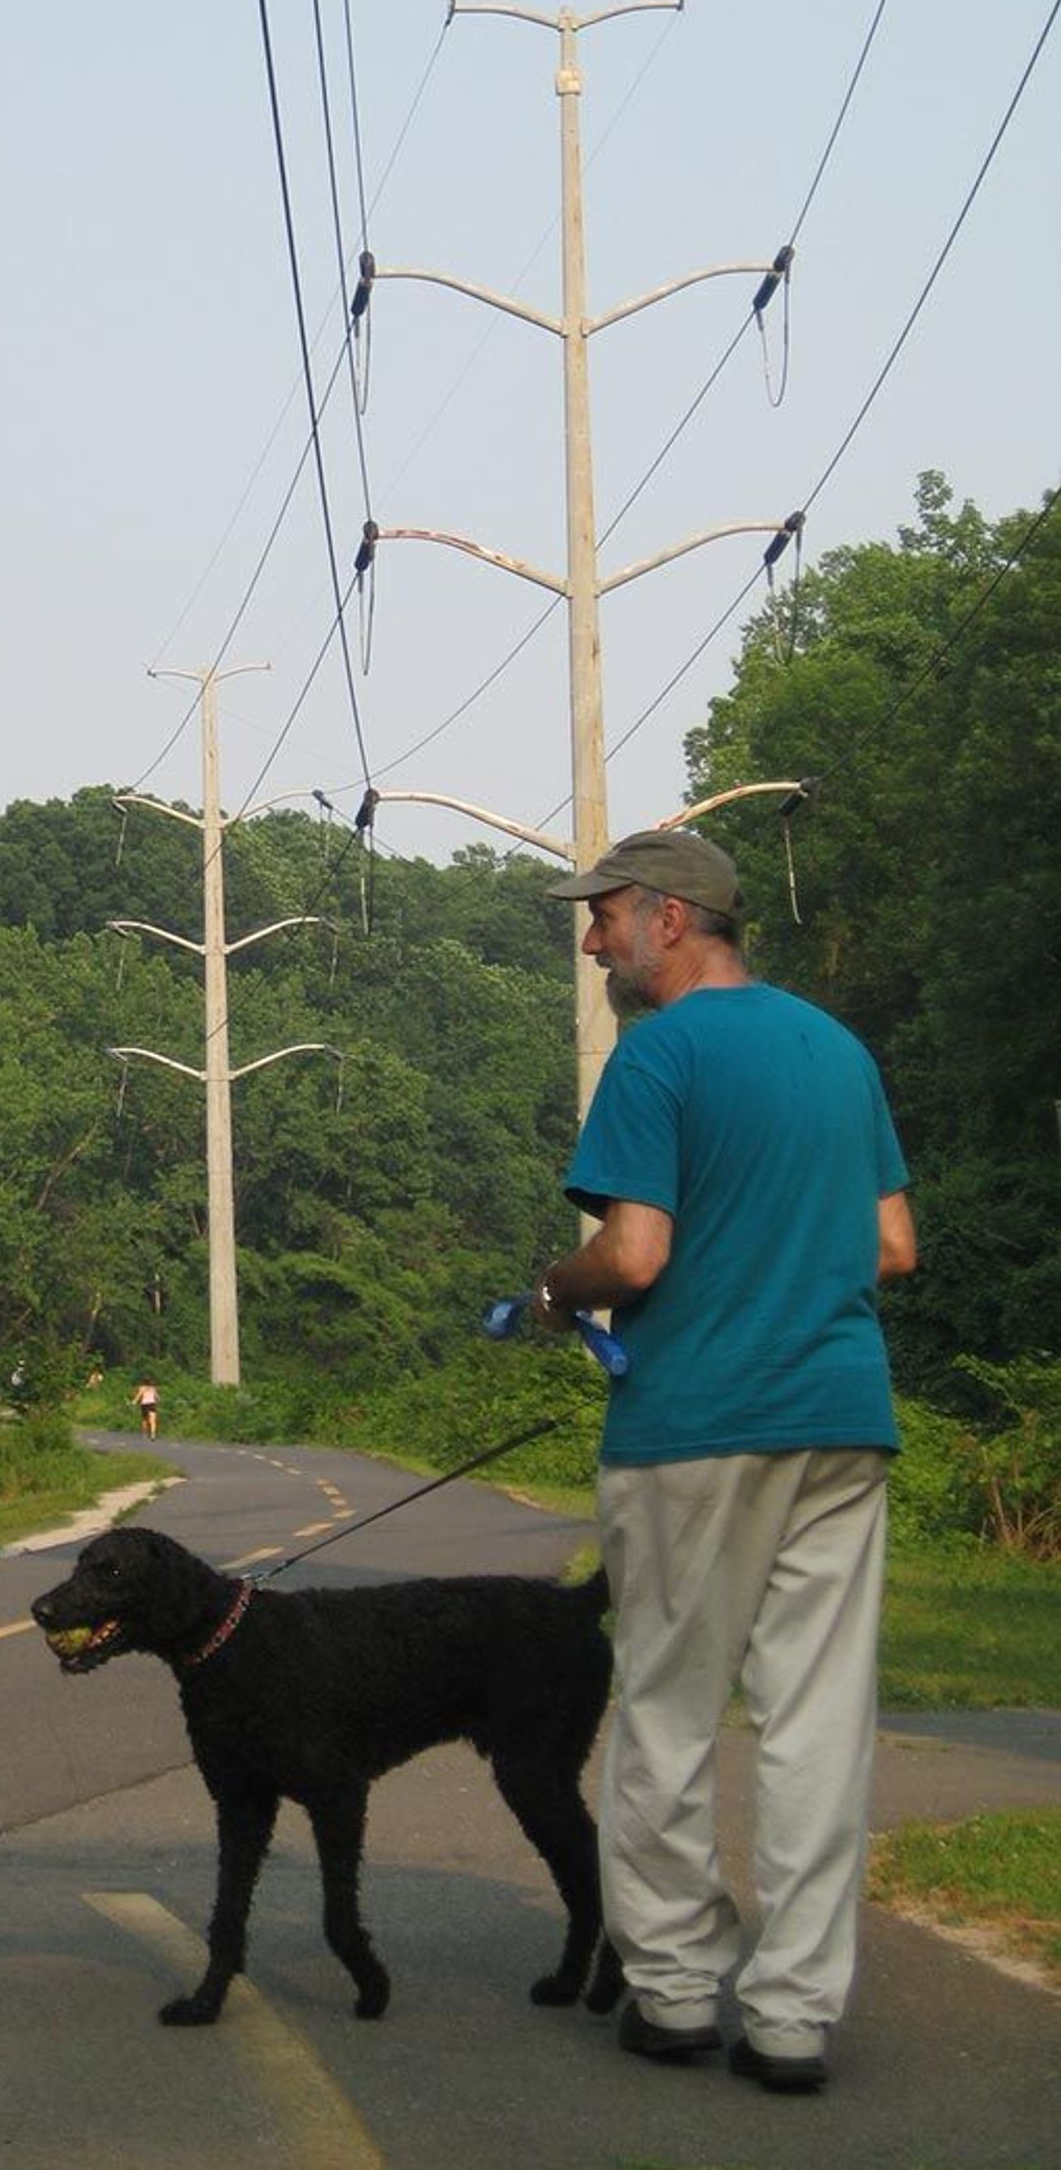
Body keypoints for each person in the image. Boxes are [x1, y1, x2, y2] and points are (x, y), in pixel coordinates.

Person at [532, 827, 915, 2098]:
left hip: (696, 1426)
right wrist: (783, 1273)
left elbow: (633, 1256)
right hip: (841, 1418)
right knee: (816, 1720)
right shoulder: (837, 1050)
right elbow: (892, 1247)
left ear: (670, 920)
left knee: (669, 1709)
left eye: (604, 919)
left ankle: (679, 1991)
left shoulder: (659, 1057)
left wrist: (551, 1291)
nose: (593, 942)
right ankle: (797, 2015)